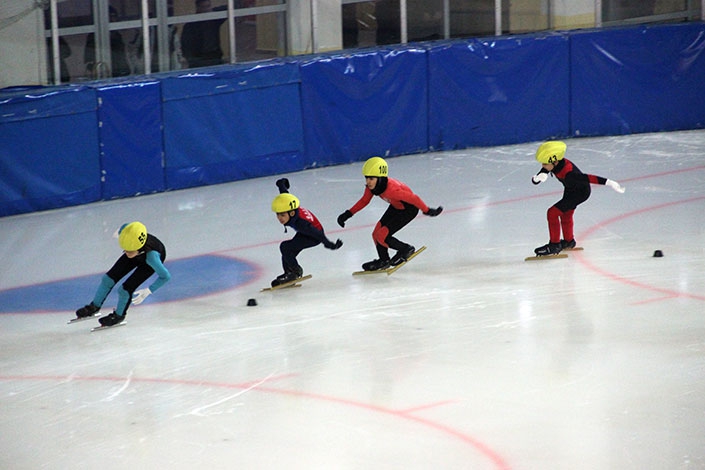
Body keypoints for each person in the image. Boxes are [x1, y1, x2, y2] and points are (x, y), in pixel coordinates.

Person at [337, 156, 443, 271]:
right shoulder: (372, 187)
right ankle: (384, 260)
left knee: (382, 235)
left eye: (371, 178)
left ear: (380, 177)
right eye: (366, 178)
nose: (368, 182)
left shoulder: (392, 190)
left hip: (409, 209)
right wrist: (347, 214)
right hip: (396, 206)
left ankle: (406, 249)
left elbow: (413, 198)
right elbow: (364, 201)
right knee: (376, 233)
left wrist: (427, 210)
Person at [531, 140, 625, 256]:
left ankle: (554, 245)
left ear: (554, 161)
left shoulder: (569, 173)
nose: (543, 166)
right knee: (566, 213)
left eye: (544, 164)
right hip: (570, 189)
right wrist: (537, 178)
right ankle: (568, 241)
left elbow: (588, 178)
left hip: (581, 192)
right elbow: (542, 173)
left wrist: (609, 182)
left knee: (552, 213)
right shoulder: (554, 164)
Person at [74, 221, 171, 326]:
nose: (126, 253)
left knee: (125, 290)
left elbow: (165, 276)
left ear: (138, 249)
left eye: (129, 251)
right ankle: (94, 306)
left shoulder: (152, 258)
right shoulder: (129, 238)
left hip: (147, 263)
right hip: (138, 253)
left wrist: (149, 290)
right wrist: (120, 233)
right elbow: (126, 227)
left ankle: (119, 315)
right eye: (125, 250)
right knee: (108, 279)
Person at [271, 178, 343, 287]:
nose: (280, 218)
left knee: (285, 247)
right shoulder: (290, 207)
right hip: (305, 233)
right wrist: (281, 184)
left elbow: (317, 233)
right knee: (288, 252)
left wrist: (329, 244)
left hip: (313, 236)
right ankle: (289, 273)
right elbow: (285, 196)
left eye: (282, 215)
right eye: (278, 215)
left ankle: (295, 272)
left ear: (291, 213)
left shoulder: (301, 223)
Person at [84, 6, 130, 78]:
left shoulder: (117, 34)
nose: (113, 19)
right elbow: (89, 57)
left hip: (119, 70)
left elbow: (122, 54)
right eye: (111, 16)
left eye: (114, 16)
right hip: (103, 71)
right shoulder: (94, 35)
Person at [180, 0, 227, 69]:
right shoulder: (191, 25)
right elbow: (185, 44)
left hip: (215, 57)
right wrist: (191, 60)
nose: (207, 10)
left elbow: (229, 7)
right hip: (198, 59)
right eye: (204, 7)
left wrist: (213, 11)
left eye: (208, 6)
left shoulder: (213, 19)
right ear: (198, 8)